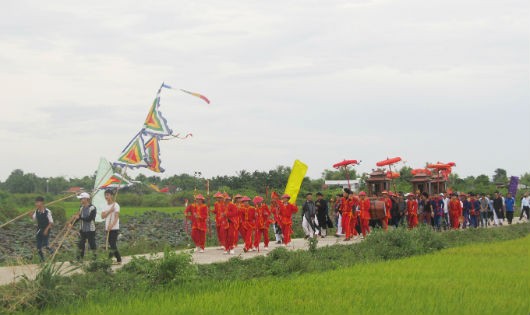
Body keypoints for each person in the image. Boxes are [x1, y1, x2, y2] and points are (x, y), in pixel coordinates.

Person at [72, 192, 97, 260]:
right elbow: (78, 217)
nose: (80, 200)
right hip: (82, 229)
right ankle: (79, 259)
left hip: (90, 229)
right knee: (81, 244)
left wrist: (79, 218)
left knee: (92, 244)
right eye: (80, 199)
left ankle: (95, 258)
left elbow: (89, 219)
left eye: (82, 199)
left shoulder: (92, 208)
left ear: (86, 199)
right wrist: (72, 224)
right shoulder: (81, 208)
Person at [29, 196, 54, 262]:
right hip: (39, 229)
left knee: (45, 244)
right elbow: (34, 219)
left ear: (42, 203)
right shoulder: (36, 211)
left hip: (46, 229)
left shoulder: (47, 211)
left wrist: (46, 230)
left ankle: (51, 251)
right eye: (36, 202)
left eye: (38, 202)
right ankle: (42, 260)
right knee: (38, 247)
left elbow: (51, 222)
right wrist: (31, 215)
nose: (36, 204)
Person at [101, 189, 122, 264]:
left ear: (112, 196)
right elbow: (102, 216)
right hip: (107, 227)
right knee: (112, 244)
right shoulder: (105, 205)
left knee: (112, 244)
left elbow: (116, 217)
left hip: (114, 227)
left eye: (108, 195)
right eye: (105, 195)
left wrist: (112, 225)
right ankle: (118, 260)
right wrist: (110, 211)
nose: (106, 196)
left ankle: (109, 260)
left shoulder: (116, 205)